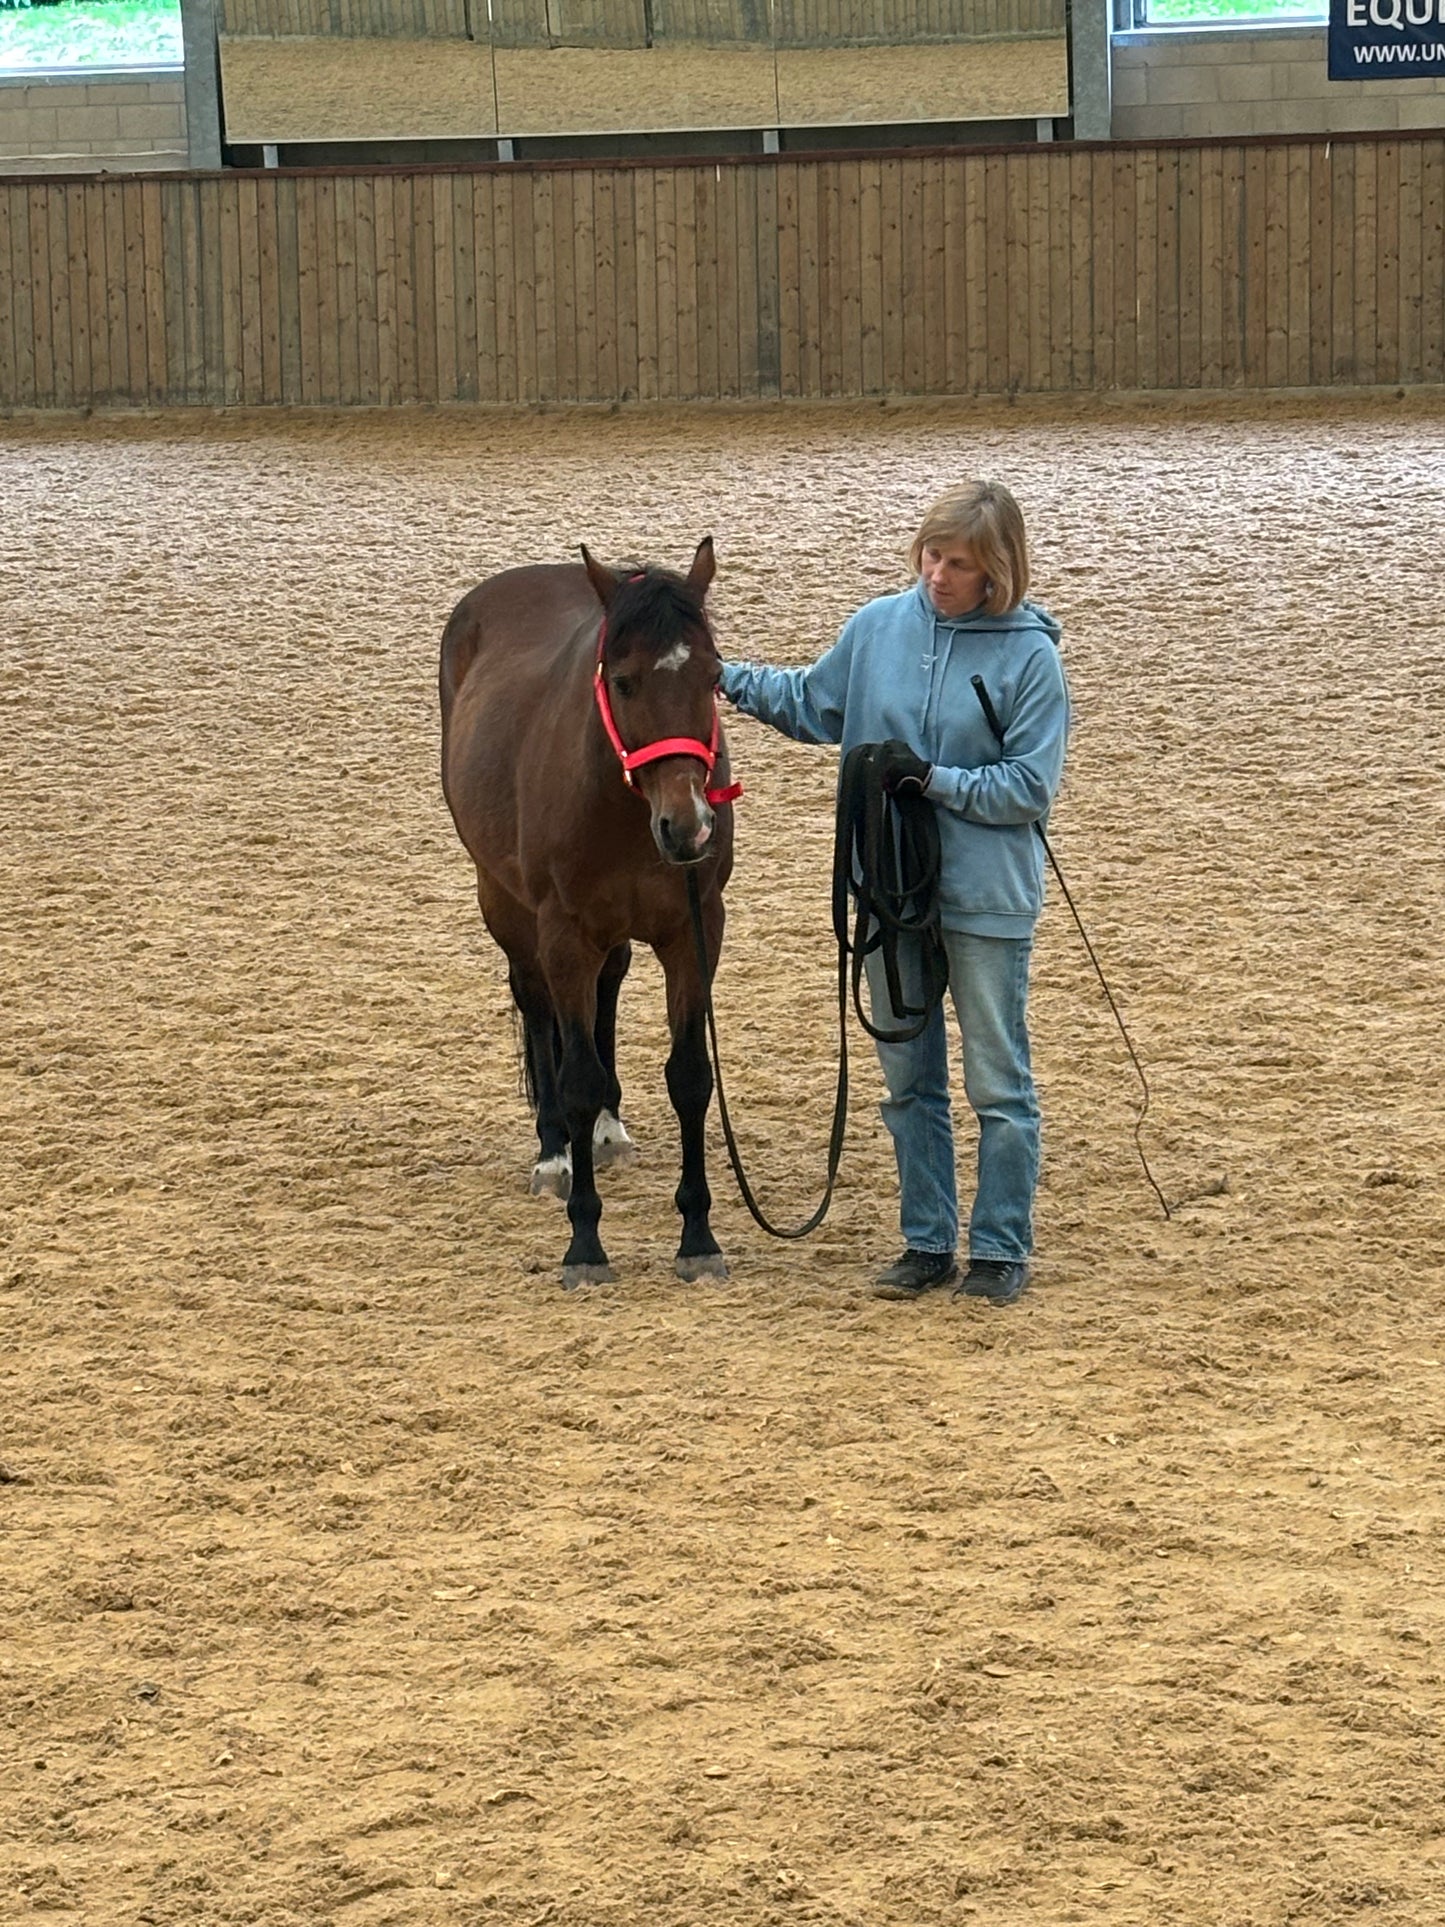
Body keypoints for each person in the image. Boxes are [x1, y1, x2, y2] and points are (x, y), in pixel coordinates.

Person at [719, 482, 1069, 1308]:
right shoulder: (877, 627)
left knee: (997, 1082)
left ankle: (998, 1247)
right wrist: (724, 678)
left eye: (958, 564)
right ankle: (925, 1241)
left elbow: (1028, 787)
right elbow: (813, 703)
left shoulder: (1029, 657)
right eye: (931, 555)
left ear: (997, 573)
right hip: (889, 891)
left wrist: (935, 780)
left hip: (984, 899)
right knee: (908, 1078)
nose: (937, 574)